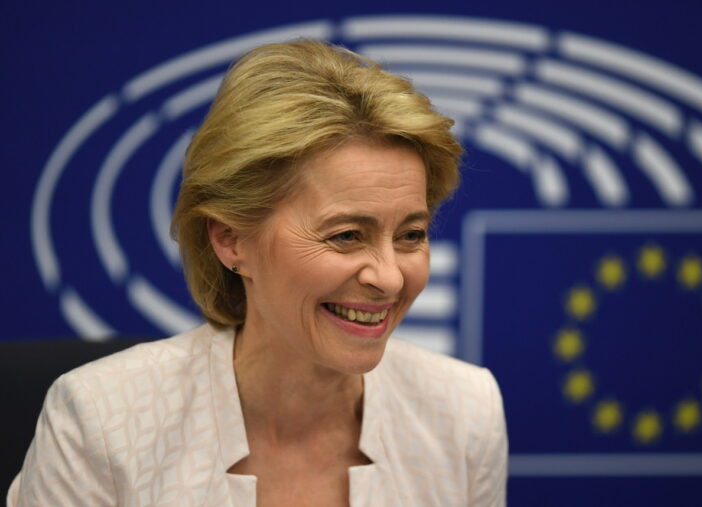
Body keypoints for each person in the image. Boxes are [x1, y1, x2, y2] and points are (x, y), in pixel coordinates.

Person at [8, 40, 507, 506]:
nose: (391, 279)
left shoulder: (463, 411)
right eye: (346, 236)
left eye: (411, 235)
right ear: (230, 240)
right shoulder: (99, 418)